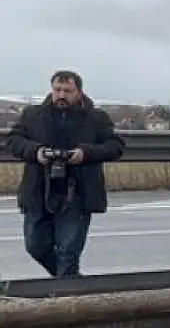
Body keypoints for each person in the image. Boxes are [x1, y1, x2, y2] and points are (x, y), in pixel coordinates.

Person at [5, 70, 125, 276]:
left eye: (67, 91)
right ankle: (69, 281)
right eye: (57, 90)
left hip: (76, 192)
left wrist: (84, 153)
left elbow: (115, 146)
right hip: (38, 190)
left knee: (68, 252)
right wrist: (37, 152)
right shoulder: (33, 115)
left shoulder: (96, 118)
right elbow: (14, 141)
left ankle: (67, 289)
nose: (61, 95)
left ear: (79, 92)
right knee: (35, 245)